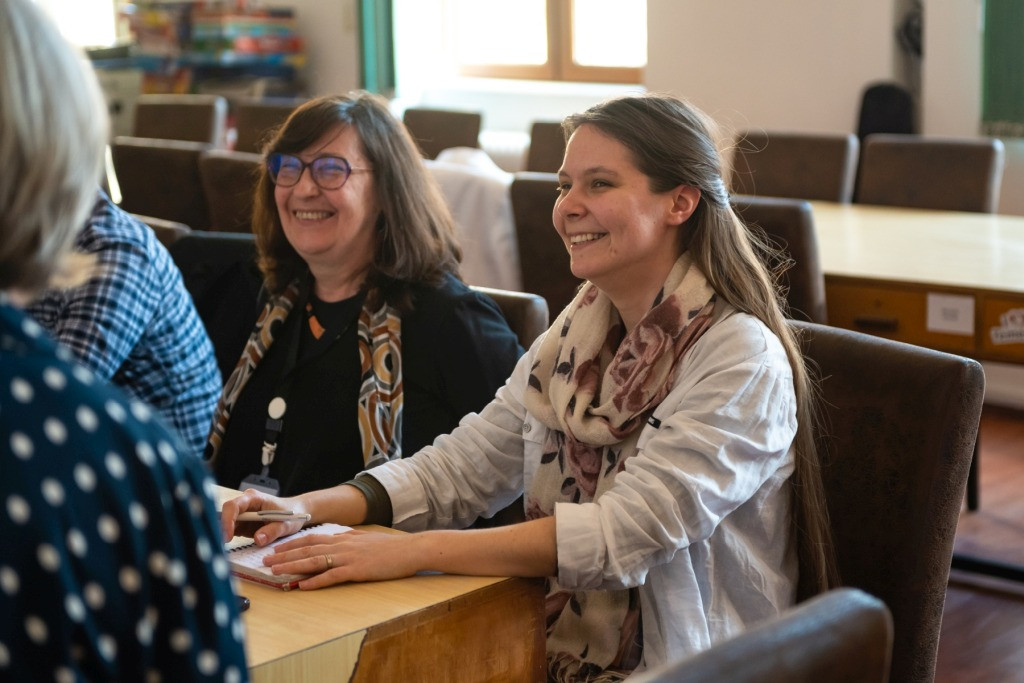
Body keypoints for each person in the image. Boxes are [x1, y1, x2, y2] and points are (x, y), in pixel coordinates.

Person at [221, 93, 838, 679]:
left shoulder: (739, 356)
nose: (567, 206)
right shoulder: (579, 330)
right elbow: (461, 467)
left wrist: (410, 550)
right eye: (565, 185)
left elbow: (621, 536)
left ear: (680, 202)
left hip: (690, 665)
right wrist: (307, 508)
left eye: (600, 184)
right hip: (546, 645)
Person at [0, 1, 248, 680]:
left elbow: (61, 382)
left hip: (135, 508)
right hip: (114, 522)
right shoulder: (122, 463)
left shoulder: (116, 253)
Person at [206, 92, 522, 498]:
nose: (303, 188)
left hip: (387, 539)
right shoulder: (259, 299)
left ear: (386, 191)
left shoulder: (453, 320)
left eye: (329, 169)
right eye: (289, 167)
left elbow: (531, 458)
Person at [26, 190, 222, 458]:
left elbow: (49, 402)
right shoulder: (25, 236)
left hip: (160, 468)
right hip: (84, 444)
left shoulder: (117, 252)